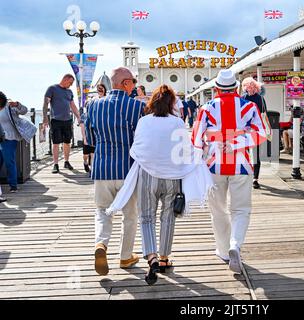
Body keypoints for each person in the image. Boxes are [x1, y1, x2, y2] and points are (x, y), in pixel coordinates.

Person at [105, 84, 213, 285]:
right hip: (172, 177)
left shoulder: (144, 121)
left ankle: (151, 257)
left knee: (146, 218)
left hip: (148, 176)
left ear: (152, 102)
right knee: (167, 217)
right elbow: (185, 151)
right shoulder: (178, 123)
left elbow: (136, 148)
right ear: (172, 103)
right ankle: (164, 258)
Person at [192, 70, 267, 274]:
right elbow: (262, 134)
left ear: (216, 89)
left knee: (218, 210)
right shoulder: (249, 106)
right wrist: (236, 143)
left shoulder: (206, 108)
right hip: (242, 165)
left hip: (214, 166)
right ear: (236, 88)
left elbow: (196, 140)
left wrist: (199, 160)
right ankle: (235, 244)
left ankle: (224, 251)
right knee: (241, 210)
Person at [84, 67, 145, 276]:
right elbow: (141, 139)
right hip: (127, 169)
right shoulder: (136, 107)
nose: (134, 86)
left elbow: (90, 139)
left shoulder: (93, 105)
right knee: (130, 215)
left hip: (101, 167)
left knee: (102, 210)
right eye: (134, 83)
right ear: (126, 83)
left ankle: (101, 245)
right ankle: (125, 257)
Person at [43, 74, 81, 174]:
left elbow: (72, 105)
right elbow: (46, 103)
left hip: (67, 120)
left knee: (67, 142)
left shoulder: (69, 92)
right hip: (55, 120)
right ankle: (55, 164)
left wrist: (78, 117)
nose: (71, 85)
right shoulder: (52, 89)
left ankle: (66, 161)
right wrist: (45, 118)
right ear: (65, 79)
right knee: (55, 143)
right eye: (70, 82)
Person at [0, 91, 28, 193]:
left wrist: (17, 104)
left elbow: (25, 110)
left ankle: (13, 185)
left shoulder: (9, 105)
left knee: (9, 162)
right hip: (0, 138)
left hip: (10, 138)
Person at [241, 77, 267, 189]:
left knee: (255, 155)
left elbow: (264, 114)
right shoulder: (242, 98)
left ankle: (255, 179)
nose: (249, 88)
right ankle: (247, 175)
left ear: (256, 87)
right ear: (244, 87)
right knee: (244, 154)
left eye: (251, 86)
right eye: (247, 86)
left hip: (256, 130)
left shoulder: (260, 99)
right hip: (244, 130)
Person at [80, 84, 107, 173]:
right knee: (86, 154)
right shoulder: (84, 116)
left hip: (94, 136)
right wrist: (84, 138)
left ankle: (93, 169)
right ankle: (85, 162)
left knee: (93, 153)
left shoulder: (97, 115)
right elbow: (83, 128)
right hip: (87, 137)